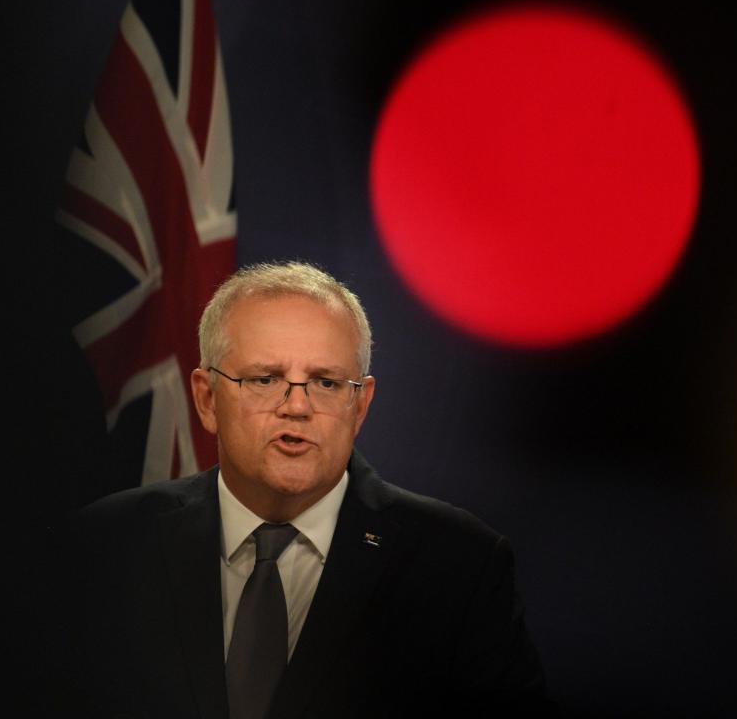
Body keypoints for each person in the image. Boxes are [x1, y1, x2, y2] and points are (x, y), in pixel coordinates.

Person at [48, 261, 549, 718]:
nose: (297, 407)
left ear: (361, 405)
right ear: (206, 399)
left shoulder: (460, 567)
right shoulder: (105, 545)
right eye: (266, 378)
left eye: (327, 383)